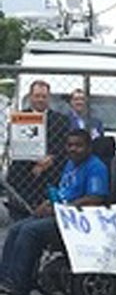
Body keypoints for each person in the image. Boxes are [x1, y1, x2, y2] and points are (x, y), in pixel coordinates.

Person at [0, 129, 108, 295]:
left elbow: (96, 198)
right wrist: (48, 204)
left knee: (30, 231)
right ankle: (6, 279)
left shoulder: (96, 167)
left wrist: (63, 208)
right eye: (70, 145)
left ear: (88, 147)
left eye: (78, 145)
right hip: (60, 214)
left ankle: (18, 284)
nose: (73, 149)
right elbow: (64, 192)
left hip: (78, 221)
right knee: (16, 229)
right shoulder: (70, 164)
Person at [6, 80, 71, 220]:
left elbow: (64, 145)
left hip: (52, 170)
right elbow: (16, 145)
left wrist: (50, 158)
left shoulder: (61, 120)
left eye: (43, 96)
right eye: (37, 96)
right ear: (30, 97)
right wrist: (34, 162)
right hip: (25, 171)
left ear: (49, 98)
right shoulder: (19, 118)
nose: (40, 100)